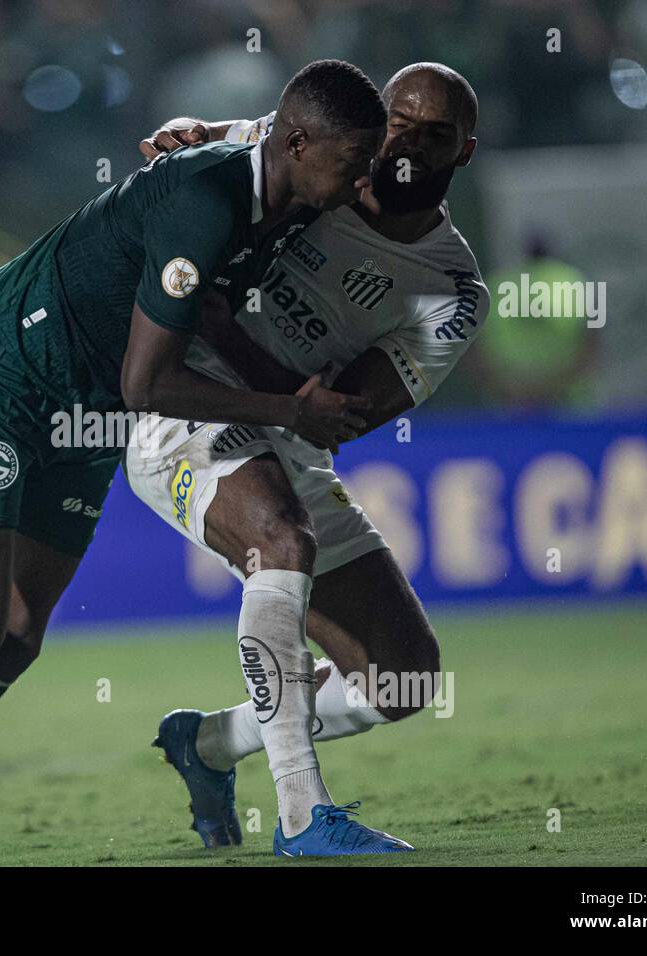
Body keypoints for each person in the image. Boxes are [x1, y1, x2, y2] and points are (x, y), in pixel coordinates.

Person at [0, 60, 388, 862]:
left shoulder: (287, 187)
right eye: (351, 162)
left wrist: (286, 384)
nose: (363, 178)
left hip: (90, 414)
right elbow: (149, 380)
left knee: (13, 641)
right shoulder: (205, 200)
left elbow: (208, 313)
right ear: (297, 144)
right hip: (1, 377)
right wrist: (290, 409)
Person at [130, 62, 488, 855]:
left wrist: (228, 329)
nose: (409, 146)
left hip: (290, 438)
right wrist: (183, 135)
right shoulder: (312, 154)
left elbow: (339, 417)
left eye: (437, 136)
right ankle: (302, 817)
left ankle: (212, 745)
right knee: (281, 543)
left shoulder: (451, 288)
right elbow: (201, 144)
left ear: (464, 152)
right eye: (399, 121)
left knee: (403, 677)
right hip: (186, 408)